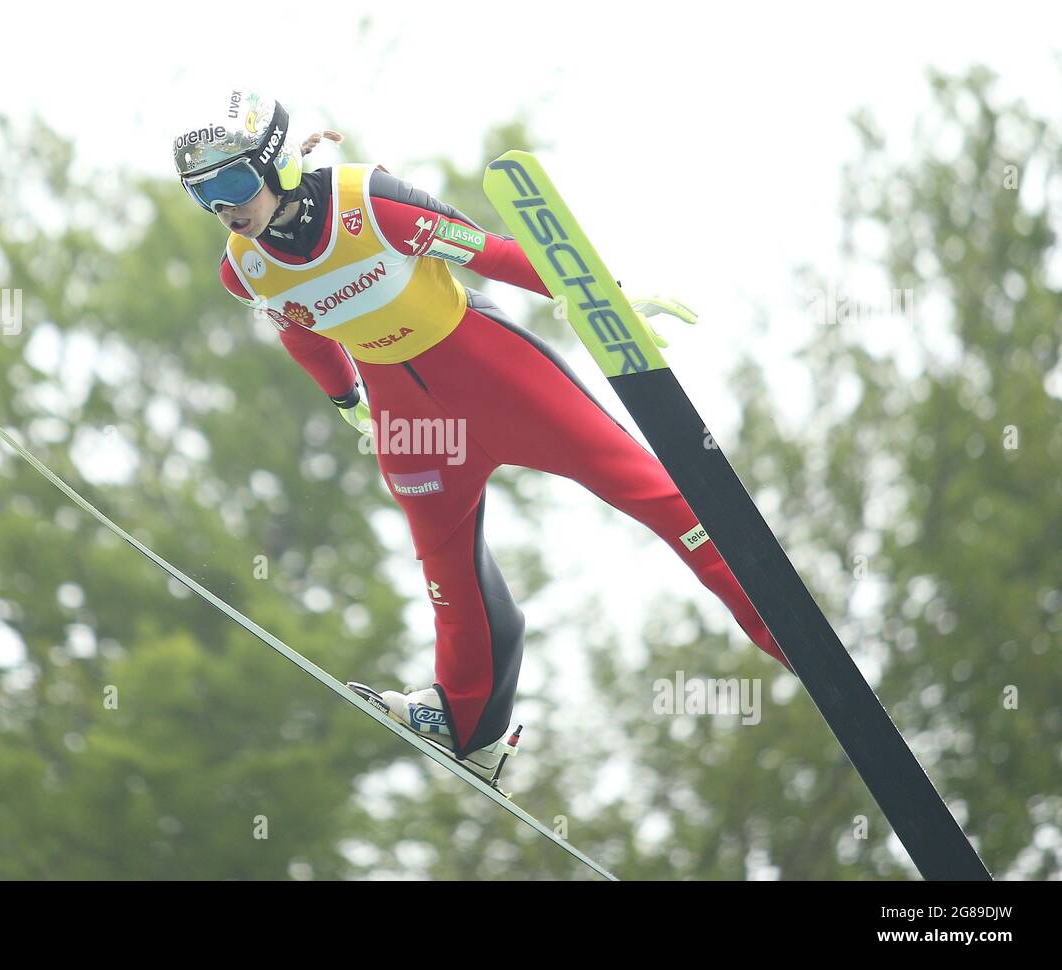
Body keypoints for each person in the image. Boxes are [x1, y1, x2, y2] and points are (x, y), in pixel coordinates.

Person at [174, 88, 790, 785]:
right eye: (205, 195)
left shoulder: (369, 203)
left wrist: (604, 295)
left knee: (646, 490)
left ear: (277, 161)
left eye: (231, 181)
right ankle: (471, 724)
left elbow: (492, 253)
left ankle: (779, 625)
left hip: (492, 375)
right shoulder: (243, 267)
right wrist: (347, 398)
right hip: (407, 419)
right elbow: (300, 333)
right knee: (446, 570)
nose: (224, 206)